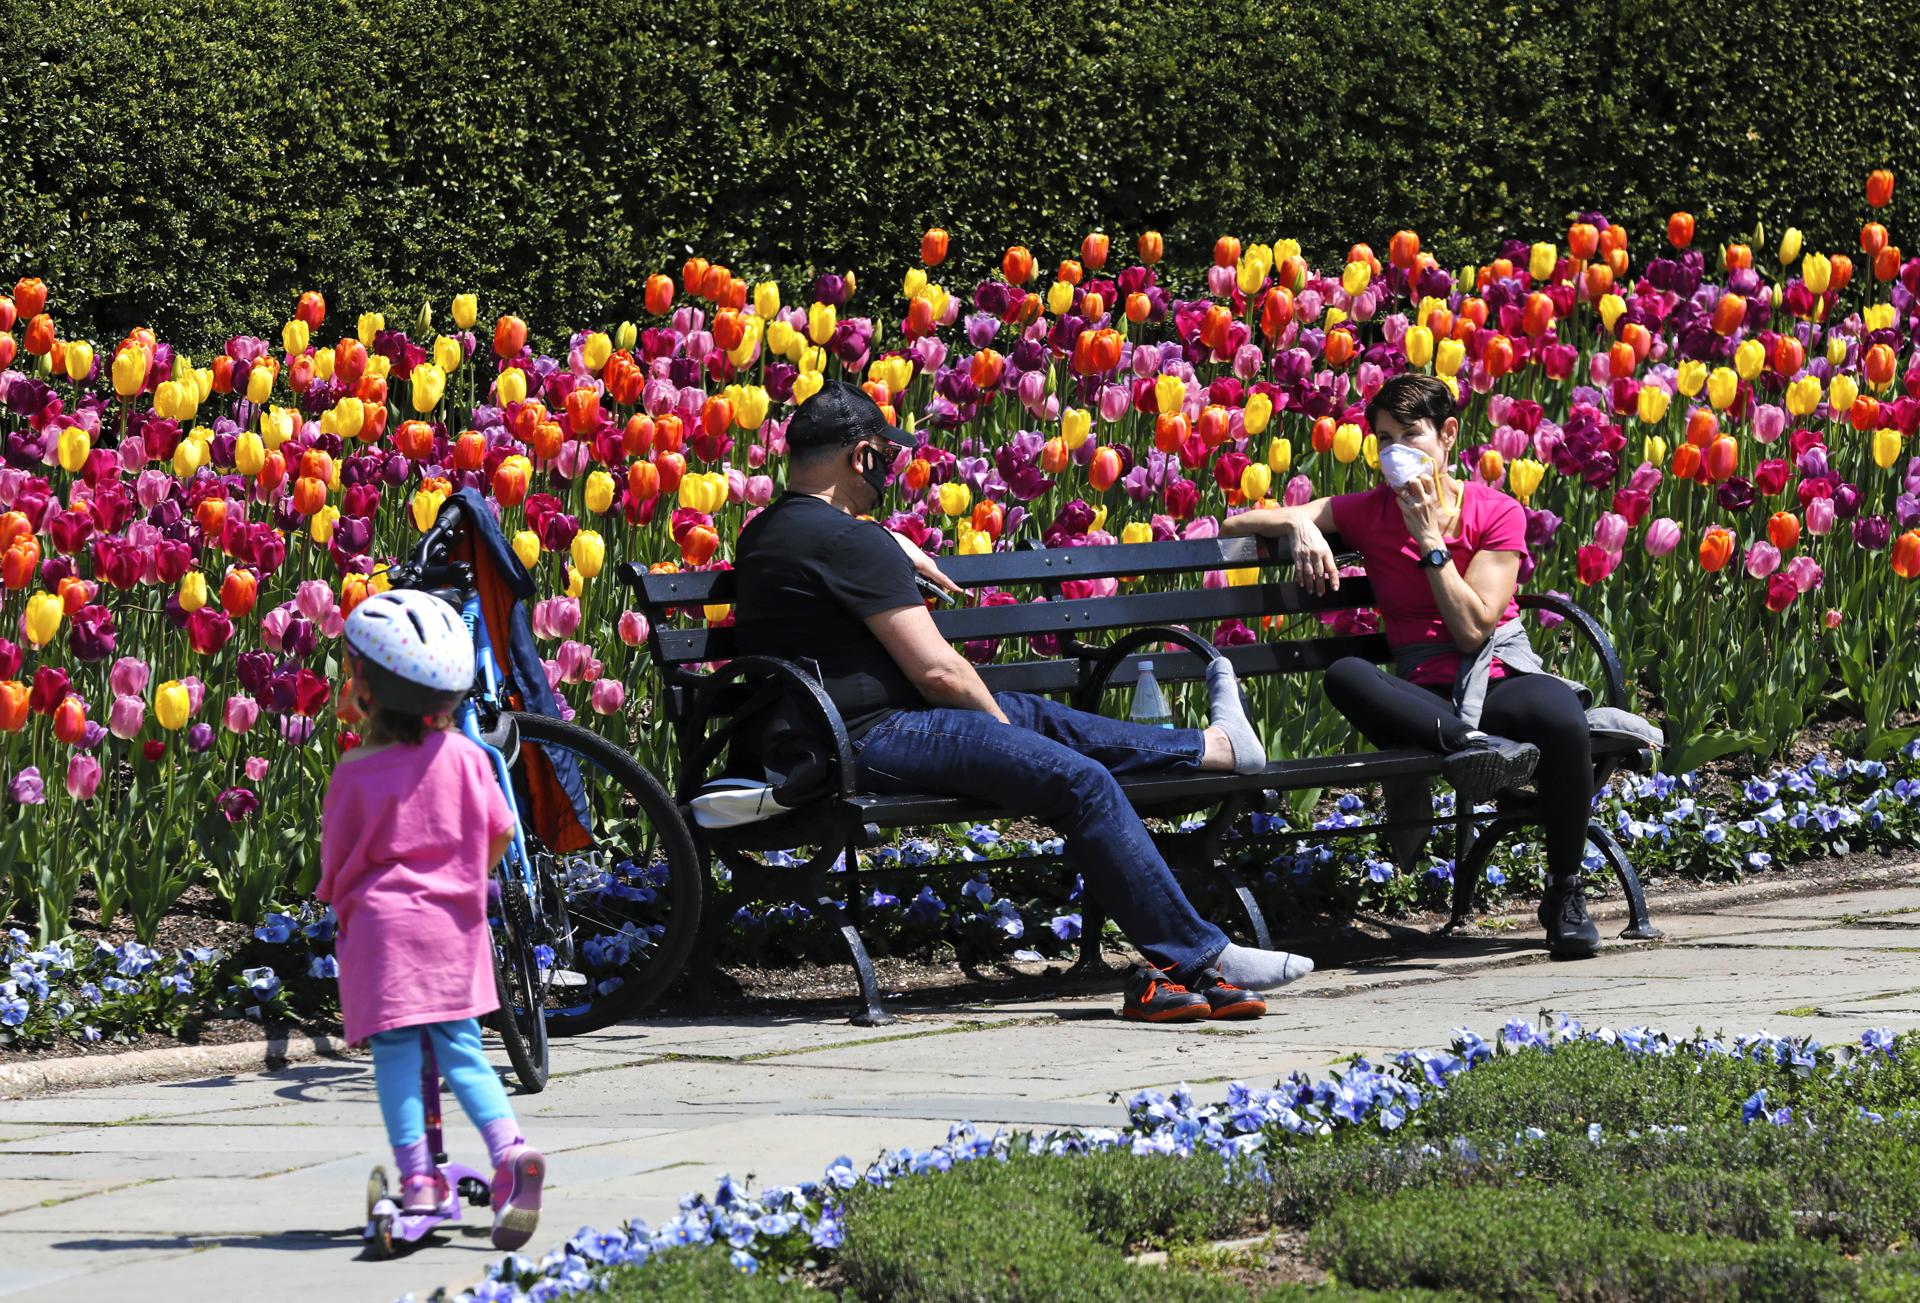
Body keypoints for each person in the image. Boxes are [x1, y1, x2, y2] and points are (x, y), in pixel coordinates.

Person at [733, 380, 1314, 1022]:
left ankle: (1217, 748)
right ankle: (1200, 957)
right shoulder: (849, 541)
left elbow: (832, 564)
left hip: (820, 733)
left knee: (1037, 714)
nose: (890, 473)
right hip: (869, 737)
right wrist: (1007, 737)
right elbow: (939, 672)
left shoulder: (767, 532)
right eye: (886, 459)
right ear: (863, 455)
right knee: (1079, 782)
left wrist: (881, 538)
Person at [1225, 372, 1601, 958]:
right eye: (1382, 438)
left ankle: (1565, 891)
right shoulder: (1368, 511)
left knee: (1561, 717)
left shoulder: (1495, 511)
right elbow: (1235, 524)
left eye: (1409, 435)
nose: (1393, 453)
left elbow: (1474, 628)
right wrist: (1301, 522)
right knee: (1347, 675)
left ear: (1448, 434)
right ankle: (1474, 747)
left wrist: (1430, 540)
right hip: (1424, 694)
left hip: (1496, 670)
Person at [318, 589, 545, 1249]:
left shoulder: (355, 773)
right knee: (464, 1051)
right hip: (457, 927)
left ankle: (419, 1180)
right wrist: (463, 875)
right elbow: (499, 834)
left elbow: (336, 867)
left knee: (395, 1052)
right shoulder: (474, 760)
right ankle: (509, 1152)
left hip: (386, 932)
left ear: (367, 687)